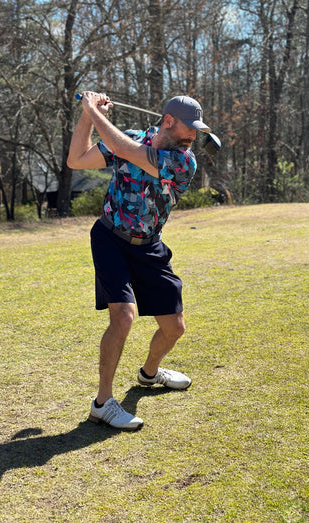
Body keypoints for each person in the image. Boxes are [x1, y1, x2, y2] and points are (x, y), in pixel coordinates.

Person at [68, 91, 211, 430]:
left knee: (174, 327)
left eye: (196, 131)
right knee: (123, 317)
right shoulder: (132, 138)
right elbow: (76, 159)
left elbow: (124, 151)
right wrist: (88, 116)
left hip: (149, 246)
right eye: (189, 130)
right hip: (110, 238)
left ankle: (149, 374)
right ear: (168, 121)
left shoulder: (182, 161)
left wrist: (92, 109)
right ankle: (102, 402)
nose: (193, 137)